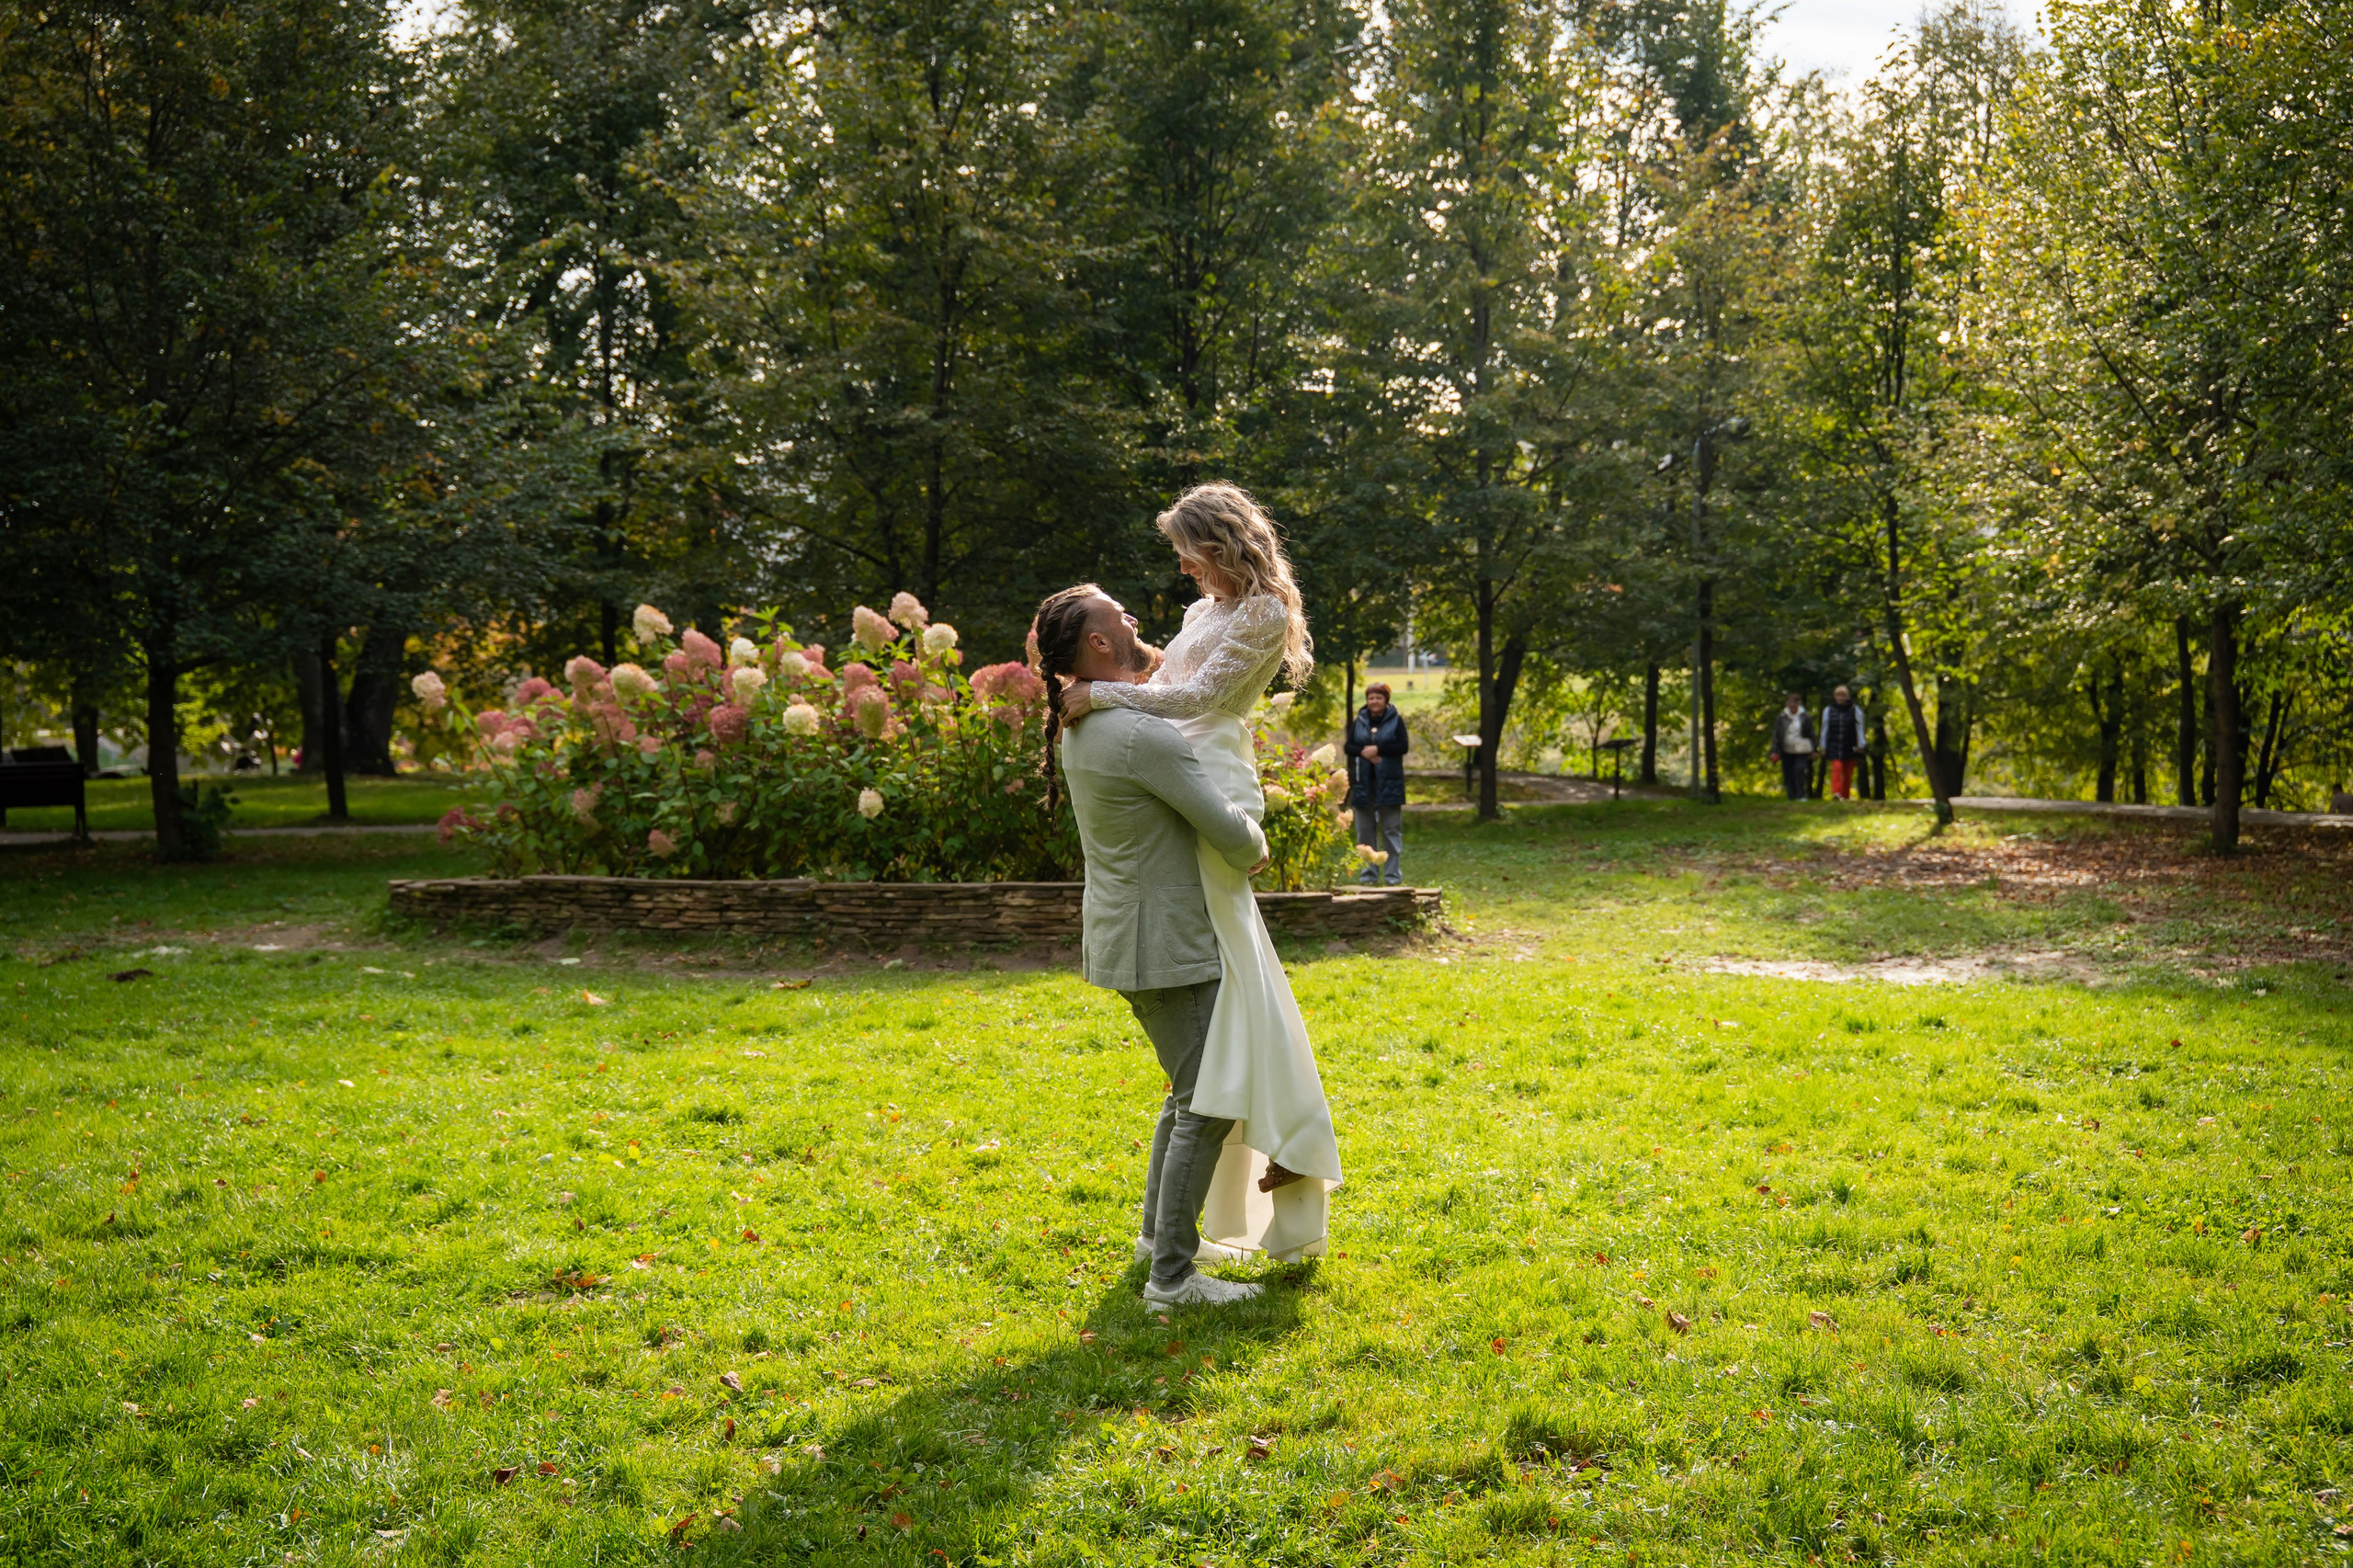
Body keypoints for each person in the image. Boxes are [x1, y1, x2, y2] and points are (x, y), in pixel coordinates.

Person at [1056, 482, 1342, 1266]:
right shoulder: (1200, 612)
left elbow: (1200, 697)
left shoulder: (1264, 612)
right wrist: (1108, 690)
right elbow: (1161, 688)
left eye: (1187, 552)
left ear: (1220, 546)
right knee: (1228, 972)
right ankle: (1238, 1092)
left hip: (1209, 765)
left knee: (1231, 949)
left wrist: (1100, 694)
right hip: (1169, 761)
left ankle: (1258, 1105)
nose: (1181, 568)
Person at [1033, 584, 1271, 1307]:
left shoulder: (1095, 723)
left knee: (1188, 1092)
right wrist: (1254, 830)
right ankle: (1172, 1278)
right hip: (1163, 943)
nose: (1134, 620)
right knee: (1209, 1101)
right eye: (1119, 616)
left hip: (1132, 936)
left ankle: (1156, 1242)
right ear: (1100, 643)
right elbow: (1235, 839)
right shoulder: (1139, 735)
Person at [1347, 683, 1408, 883]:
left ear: (1386, 700)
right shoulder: (1360, 721)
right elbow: (1349, 747)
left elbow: (1403, 746)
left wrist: (1378, 749)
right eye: (1371, 698)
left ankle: (1392, 876)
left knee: (1391, 830)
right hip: (1362, 785)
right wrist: (1364, 752)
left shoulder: (1396, 720)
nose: (1374, 701)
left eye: (1378, 698)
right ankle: (1368, 875)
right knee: (1365, 832)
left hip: (1390, 784)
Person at [1819, 685, 1867, 801]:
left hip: (1850, 745)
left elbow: (1860, 728)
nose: (1840, 698)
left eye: (1843, 695)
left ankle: (1845, 796)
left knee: (1848, 772)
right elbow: (1825, 729)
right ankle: (1836, 793)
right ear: (1835, 697)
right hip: (1833, 745)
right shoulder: (1828, 710)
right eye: (1838, 695)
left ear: (1847, 697)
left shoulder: (1855, 710)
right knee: (1837, 767)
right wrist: (1823, 746)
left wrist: (1861, 744)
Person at [1768, 692, 1813, 801]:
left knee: (1799, 770)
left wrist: (1814, 749)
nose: (1792, 704)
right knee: (1788, 772)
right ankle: (1791, 795)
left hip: (1801, 749)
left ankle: (1801, 795)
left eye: (1794, 702)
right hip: (1786, 750)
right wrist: (1774, 750)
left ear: (1798, 703)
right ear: (1787, 703)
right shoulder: (1781, 717)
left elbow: (1811, 733)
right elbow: (1777, 734)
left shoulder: (1805, 717)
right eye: (1790, 702)